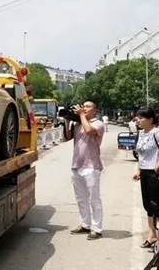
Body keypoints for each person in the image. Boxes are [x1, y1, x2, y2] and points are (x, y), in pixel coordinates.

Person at [133, 107, 159, 249]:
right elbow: (141, 154)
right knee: (148, 205)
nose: (138, 120)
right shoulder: (141, 133)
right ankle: (152, 236)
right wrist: (138, 170)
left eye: (141, 118)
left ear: (150, 119)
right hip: (145, 172)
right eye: (137, 117)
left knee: (158, 205)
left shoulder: (157, 133)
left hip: (156, 173)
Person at [62, 100, 106, 240]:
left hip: (91, 166)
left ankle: (96, 228)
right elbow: (67, 138)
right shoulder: (78, 124)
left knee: (94, 199)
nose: (84, 108)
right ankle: (85, 224)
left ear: (95, 110)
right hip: (77, 165)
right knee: (81, 198)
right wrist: (67, 120)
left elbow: (89, 130)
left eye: (88, 107)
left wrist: (81, 115)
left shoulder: (98, 124)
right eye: (83, 106)